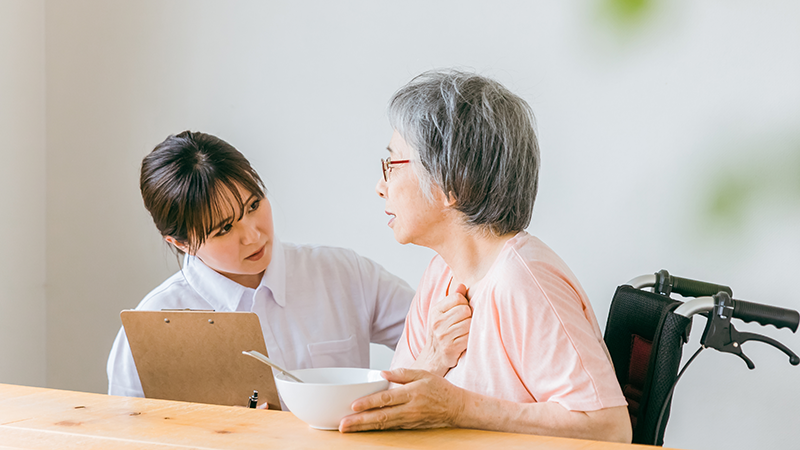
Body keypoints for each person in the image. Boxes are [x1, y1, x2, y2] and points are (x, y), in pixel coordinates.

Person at [339, 70, 632, 443]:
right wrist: (434, 357)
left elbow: (610, 429)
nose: (380, 187)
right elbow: (394, 405)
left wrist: (459, 408)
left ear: (451, 183)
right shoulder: (441, 272)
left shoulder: (524, 280)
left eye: (392, 166)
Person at [107, 131, 415, 405]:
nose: (253, 236)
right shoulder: (156, 322)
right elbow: (125, 435)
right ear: (181, 243)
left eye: (253, 206)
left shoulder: (341, 273)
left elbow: (437, 341)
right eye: (224, 229)